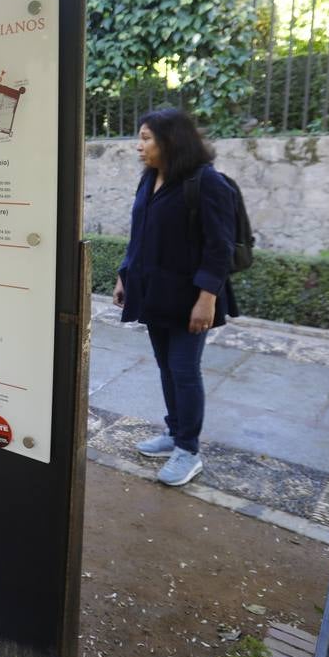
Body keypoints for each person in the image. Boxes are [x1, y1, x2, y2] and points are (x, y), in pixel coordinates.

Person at [113, 107, 238, 487]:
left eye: (147, 138)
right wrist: (124, 275)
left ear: (171, 141)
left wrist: (207, 299)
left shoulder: (207, 182)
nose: (139, 146)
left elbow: (220, 247)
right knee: (167, 367)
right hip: (155, 294)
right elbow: (139, 233)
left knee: (184, 371)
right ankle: (174, 432)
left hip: (190, 299)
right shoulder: (150, 178)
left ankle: (188, 449)